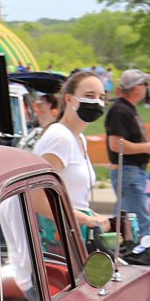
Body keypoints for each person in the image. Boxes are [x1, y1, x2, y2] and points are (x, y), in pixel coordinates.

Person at [33, 70, 109, 232]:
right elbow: (36, 197)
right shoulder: (60, 138)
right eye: (89, 95)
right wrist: (86, 220)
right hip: (55, 238)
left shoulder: (79, 138)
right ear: (69, 99)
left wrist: (95, 216)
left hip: (71, 232)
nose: (97, 102)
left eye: (101, 97)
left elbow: (74, 200)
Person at [105, 68, 150, 242]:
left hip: (131, 171)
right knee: (141, 221)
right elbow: (116, 145)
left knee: (123, 221)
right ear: (136, 88)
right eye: (144, 84)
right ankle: (142, 254)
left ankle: (121, 251)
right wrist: (147, 147)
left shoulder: (126, 109)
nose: (147, 88)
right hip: (128, 172)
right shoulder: (120, 110)